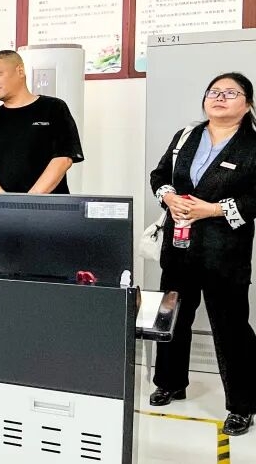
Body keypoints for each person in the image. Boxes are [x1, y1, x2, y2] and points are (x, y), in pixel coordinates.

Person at [148, 72, 256, 436]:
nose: (219, 97)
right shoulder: (185, 136)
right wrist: (168, 196)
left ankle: (242, 405)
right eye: (213, 91)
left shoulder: (252, 145)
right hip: (178, 246)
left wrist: (213, 209)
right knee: (172, 316)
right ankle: (170, 383)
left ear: (247, 104)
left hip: (225, 253)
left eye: (230, 93)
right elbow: (159, 175)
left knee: (231, 327)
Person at [0, 50, 84, 194]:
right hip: (1, 206)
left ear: (20, 71)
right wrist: (2, 201)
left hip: (47, 204)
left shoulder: (53, 108)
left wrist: (28, 201)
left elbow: (63, 158)